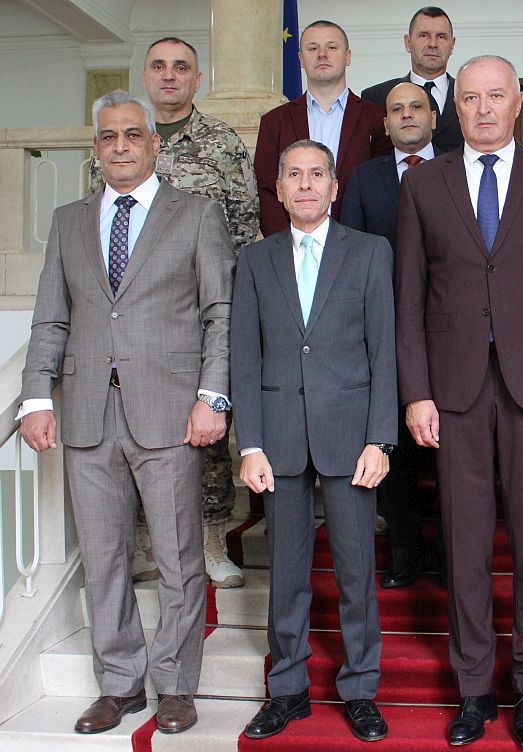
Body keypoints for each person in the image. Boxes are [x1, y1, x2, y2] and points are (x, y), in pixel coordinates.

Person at [19, 90, 235, 735]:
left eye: (133, 135)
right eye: (109, 137)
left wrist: (212, 396)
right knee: (104, 558)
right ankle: (118, 684)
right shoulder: (68, 221)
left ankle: (176, 685)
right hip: (88, 412)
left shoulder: (196, 214)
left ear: (154, 144)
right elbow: (51, 318)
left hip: (170, 412)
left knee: (178, 557)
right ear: (95, 149)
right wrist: (36, 397)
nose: (121, 146)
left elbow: (220, 313)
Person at [395, 55, 523, 748]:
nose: (483, 109)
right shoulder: (424, 184)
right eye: (471, 97)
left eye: (496, 96)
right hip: (452, 390)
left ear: (517, 103)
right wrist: (416, 393)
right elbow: (408, 300)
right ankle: (475, 688)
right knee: (465, 544)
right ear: (456, 108)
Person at [233, 139, 396, 742]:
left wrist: (381, 438)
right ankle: (289, 688)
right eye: (294, 175)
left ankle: (360, 688)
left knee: (356, 572)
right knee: (287, 573)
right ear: (278, 190)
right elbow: (244, 357)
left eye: (317, 174)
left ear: (334, 187)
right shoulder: (255, 261)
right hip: (277, 438)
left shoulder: (370, 252)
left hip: (351, 437)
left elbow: (385, 350)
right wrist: (249, 443)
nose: (306, 185)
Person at [89, 36, 258, 589]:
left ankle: (211, 540)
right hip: (132, 321)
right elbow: (96, 229)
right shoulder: (117, 142)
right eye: (158, 66)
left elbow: (245, 230)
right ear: (145, 75)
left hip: (196, 315)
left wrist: (232, 314)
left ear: (197, 79)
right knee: (131, 429)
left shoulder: (223, 144)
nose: (169, 76)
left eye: (180, 67)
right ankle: (146, 541)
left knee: (205, 437)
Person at [341, 82, 444, 589]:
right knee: (394, 446)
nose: (407, 116)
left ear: (434, 117)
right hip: (383, 329)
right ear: (384, 124)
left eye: (416, 107)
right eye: (396, 110)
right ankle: (404, 550)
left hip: (447, 331)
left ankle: (448, 553)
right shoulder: (364, 178)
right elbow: (350, 253)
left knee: (448, 453)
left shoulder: (457, 168)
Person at [254, 19, 389, 237]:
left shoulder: (377, 118)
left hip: (359, 245)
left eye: (332, 47)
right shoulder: (274, 122)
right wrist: (290, 242)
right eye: (313, 48)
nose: (322, 54)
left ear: (348, 56)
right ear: (301, 59)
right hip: (293, 246)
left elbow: (381, 189)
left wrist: (360, 245)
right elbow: (265, 190)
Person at [361, 6, 463, 154]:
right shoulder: (375, 98)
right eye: (424, 35)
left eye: (441, 37)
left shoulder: (470, 96)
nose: (433, 44)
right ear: (408, 42)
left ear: (452, 45)